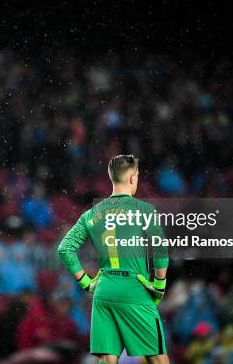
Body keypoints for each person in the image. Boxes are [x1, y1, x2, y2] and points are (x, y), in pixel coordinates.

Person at [58, 154, 170, 364]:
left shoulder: (91, 214)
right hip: (133, 289)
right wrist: (159, 285)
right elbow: (160, 250)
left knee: (108, 360)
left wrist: (86, 282)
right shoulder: (145, 211)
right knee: (158, 359)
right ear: (132, 178)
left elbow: (65, 249)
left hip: (104, 290)